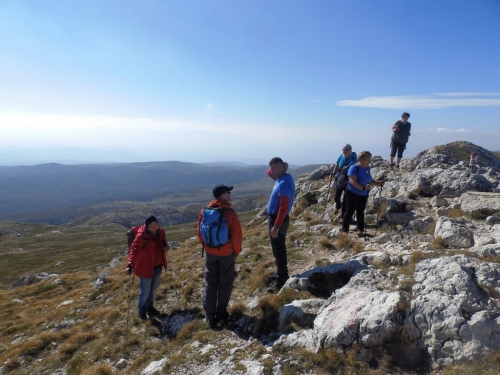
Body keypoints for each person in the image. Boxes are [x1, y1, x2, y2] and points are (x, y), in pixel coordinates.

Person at [197, 184, 242, 330]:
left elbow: (200, 233)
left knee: (210, 283)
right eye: (228, 192)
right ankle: (221, 313)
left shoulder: (204, 211)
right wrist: (236, 251)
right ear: (222, 196)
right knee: (225, 283)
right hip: (226, 254)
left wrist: (209, 246)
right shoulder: (230, 213)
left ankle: (210, 314)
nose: (230, 194)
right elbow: (236, 236)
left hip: (210, 253)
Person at [126, 215, 170, 321]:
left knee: (153, 289)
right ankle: (141, 312)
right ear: (149, 225)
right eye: (156, 222)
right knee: (145, 291)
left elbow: (164, 243)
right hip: (145, 267)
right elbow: (134, 250)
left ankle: (150, 308)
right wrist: (130, 263)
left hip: (158, 265)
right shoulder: (141, 236)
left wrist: (166, 246)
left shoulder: (161, 232)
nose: (158, 223)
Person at [267, 157, 295, 291]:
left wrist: (276, 225)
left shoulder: (283, 183)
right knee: (277, 248)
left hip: (278, 219)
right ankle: (281, 273)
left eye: (273, 169)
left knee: (278, 250)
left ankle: (281, 279)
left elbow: (283, 207)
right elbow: (268, 173)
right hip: (277, 218)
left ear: (279, 167)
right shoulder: (283, 177)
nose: (271, 172)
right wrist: (281, 167)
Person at [342, 151, 384, 237]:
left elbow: (370, 180)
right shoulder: (354, 168)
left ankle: (360, 229)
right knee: (349, 211)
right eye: (368, 159)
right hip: (352, 193)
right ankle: (344, 230)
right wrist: (363, 188)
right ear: (362, 159)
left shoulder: (367, 168)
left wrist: (378, 183)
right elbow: (352, 181)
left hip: (363, 194)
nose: (370, 161)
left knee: (360, 212)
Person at [331, 144, 357, 218]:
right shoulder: (340, 156)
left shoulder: (353, 157)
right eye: (343, 149)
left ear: (350, 150)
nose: (344, 151)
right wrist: (333, 174)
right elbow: (336, 165)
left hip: (348, 179)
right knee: (336, 196)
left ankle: (344, 215)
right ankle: (338, 205)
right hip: (338, 178)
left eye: (346, 149)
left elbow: (355, 166)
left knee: (347, 198)